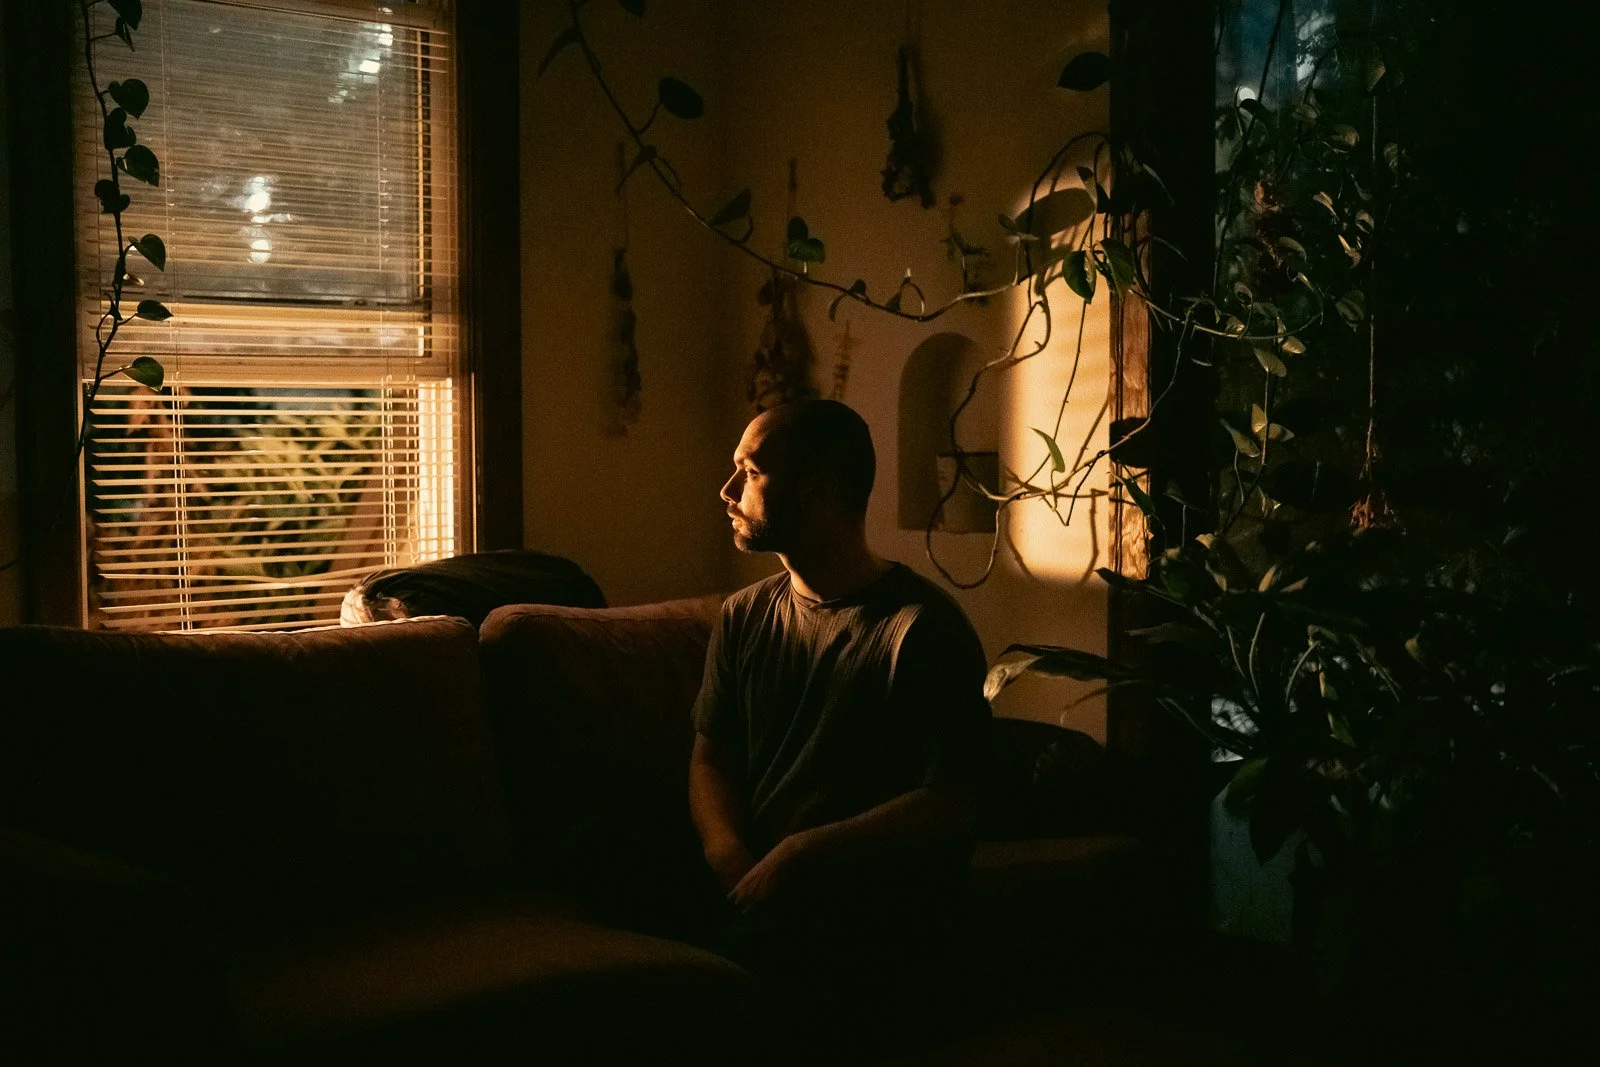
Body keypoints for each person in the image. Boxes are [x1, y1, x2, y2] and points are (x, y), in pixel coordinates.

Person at [688, 398, 992, 1056]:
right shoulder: (743, 615)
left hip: (856, 897)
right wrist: (726, 853)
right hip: (751, 877)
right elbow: (710, 757)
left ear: (821, 491)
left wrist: (804, 854)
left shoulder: (921, 629)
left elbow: (954, 799)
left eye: (751, 471)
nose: (727, 489)